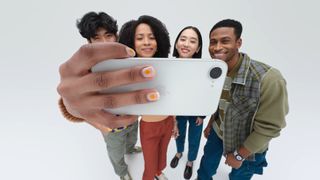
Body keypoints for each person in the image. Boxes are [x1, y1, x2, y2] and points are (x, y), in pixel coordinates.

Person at [196, 19, 289, 180]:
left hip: (247, 147)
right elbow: (221, 101)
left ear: (238, 42)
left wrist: (239, 155)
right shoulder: (217, 71)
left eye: (225, 41)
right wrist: (212, 122)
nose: (217, 47)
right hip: (217, 134)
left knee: (240, 177)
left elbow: (270, 127)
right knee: (205, 168)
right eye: (213, 42)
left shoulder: (269, 78)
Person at [65, 11, 142, 180]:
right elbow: (77, 100)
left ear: (116, 36)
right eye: (97, 38)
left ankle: (130, 149)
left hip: (132, 115)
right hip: (111, 123)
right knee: (115, 151)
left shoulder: (128, 55)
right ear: (89, 41)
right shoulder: (84, 69)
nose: (104, 43)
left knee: (132, 138)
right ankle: (122, 173)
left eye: (108, 35)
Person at [118, 15, 178, 180]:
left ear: (159, 41)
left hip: (167, 122)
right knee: (149, 166)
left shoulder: (167, 68)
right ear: (132, 43)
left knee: (162, 158)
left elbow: (171, 97)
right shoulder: (131, 72)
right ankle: (152, 175)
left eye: (152, 37)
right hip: (149, 126)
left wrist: (174, 120)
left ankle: (159, 172)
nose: (146, 42)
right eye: (140, 38)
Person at [169, 26, 205, 179]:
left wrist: (202, 115)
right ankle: (179, 152)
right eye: (183, 39)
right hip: (178, 110)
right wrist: (173, 117)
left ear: (198, 48)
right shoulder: (169, 67)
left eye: (192, 41)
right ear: (177, 43)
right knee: (178, 133)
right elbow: (168, 93)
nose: (186, 44)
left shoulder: (203, 68)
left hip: (196, 111)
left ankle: (190, 161)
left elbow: (206, 93)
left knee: (194, 138)